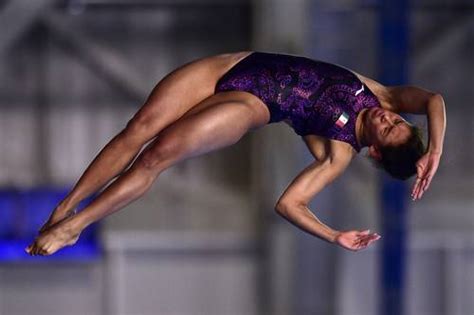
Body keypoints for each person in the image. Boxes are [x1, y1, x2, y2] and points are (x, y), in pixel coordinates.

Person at [25, 51, 446, 256]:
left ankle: (76, 226)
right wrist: (435, 151)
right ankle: (64, 208)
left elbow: (290, 204)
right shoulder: (382, 95)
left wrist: (334, 235)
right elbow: (434, 100)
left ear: (374, 151)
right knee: (138, 129)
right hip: (224, 66)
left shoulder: (338, 154)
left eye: (387, 129)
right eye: (396, 120)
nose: (386, 118)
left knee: (157, 154)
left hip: (249, 105)